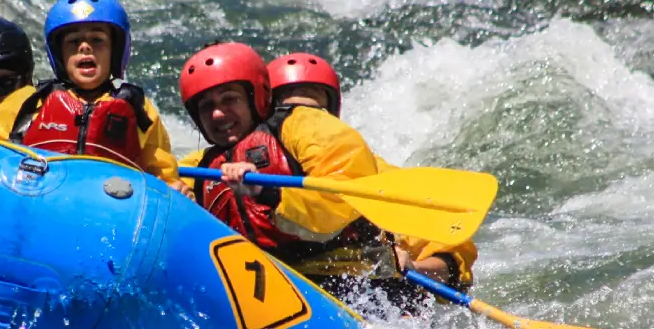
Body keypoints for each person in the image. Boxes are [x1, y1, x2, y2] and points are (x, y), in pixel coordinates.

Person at [179, 42, 472, 306]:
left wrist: (415, 267)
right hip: (267, 285)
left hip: (352, 286)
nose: (306, 114)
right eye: (288, 102)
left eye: (315, 104)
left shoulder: (366, 169)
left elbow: (453, 255)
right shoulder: (204, 168)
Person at [265, 49, 478, 290]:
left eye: (315, 112)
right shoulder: (246, 167)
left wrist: (414, 267)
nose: (303, 120)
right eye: (287, 110)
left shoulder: (377, 175)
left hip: (365, 294)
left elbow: (454, 262)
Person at [0, 0, 185, 189]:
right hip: (42, 201)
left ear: (116, 51)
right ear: (60, 54)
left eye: (97, 40)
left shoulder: (139, 108)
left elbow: (162, 170)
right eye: (73, 42)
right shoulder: (30, 101)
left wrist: (173, 186)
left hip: (112, 208)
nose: (84, 47)